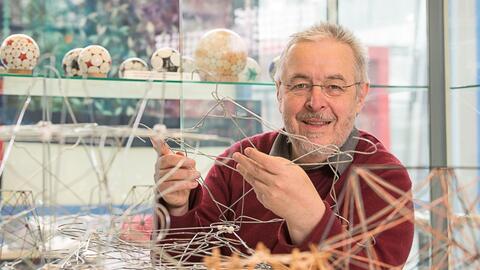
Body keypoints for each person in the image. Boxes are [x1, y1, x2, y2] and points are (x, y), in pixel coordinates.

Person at [152, 23, 414, 269]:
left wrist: (310, 218)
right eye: (300, 85)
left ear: (360, 96)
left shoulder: (384, 177)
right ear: (279, 92)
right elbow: (178, 261)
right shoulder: (239, 163)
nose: (316, 101)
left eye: (334, 86)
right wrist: (177, 207)